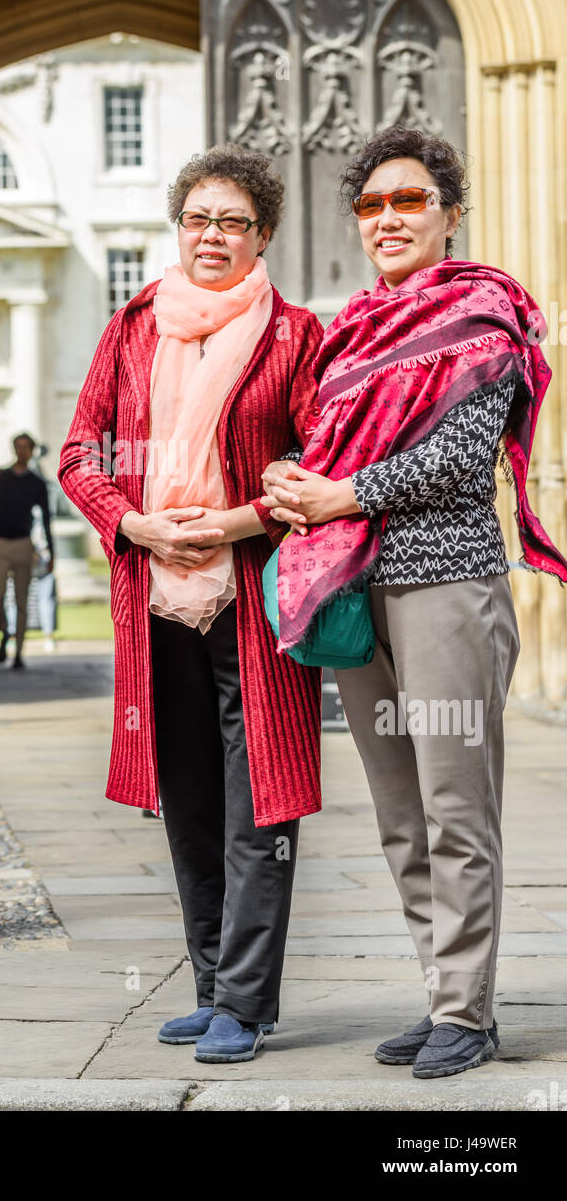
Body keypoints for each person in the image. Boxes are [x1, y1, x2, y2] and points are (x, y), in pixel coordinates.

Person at [261, 126, 567, 1079]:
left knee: (454, 804)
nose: (387, 219)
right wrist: (291, 476)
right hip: (355, 591)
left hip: (443, 585)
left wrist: (339, 495)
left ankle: (467, 1016)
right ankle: (443, 995)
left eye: (408, 201)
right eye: (371, 205)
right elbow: (329, 446)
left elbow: (456, 459)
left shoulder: (482, 316)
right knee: (398, 811)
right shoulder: (351, 329)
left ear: (448, 213)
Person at [58, 142, 324, 1063]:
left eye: (233, 222)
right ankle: (210, 985)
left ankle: (247, 1004)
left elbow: (318, 468)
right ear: (179, 227)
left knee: (261, 801)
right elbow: (79, 453)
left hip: (251, 601)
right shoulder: (132, 326)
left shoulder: (294, 335)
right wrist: (134, 525)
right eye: (198, 219)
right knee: (188, 796)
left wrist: (240, 519)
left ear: (263, 235)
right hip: (154, 597)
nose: (212, 236)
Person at [0, 433, 53, 669]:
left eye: (27, 448)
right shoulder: (0, 476)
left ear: (32, 451)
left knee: (22, 600)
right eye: (19, 447)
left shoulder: (36, 483)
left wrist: (51, 552)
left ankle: (19, 652)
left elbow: (47, 518)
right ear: (14, 449)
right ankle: (4, 632)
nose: (22, 452)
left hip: (23, 543)